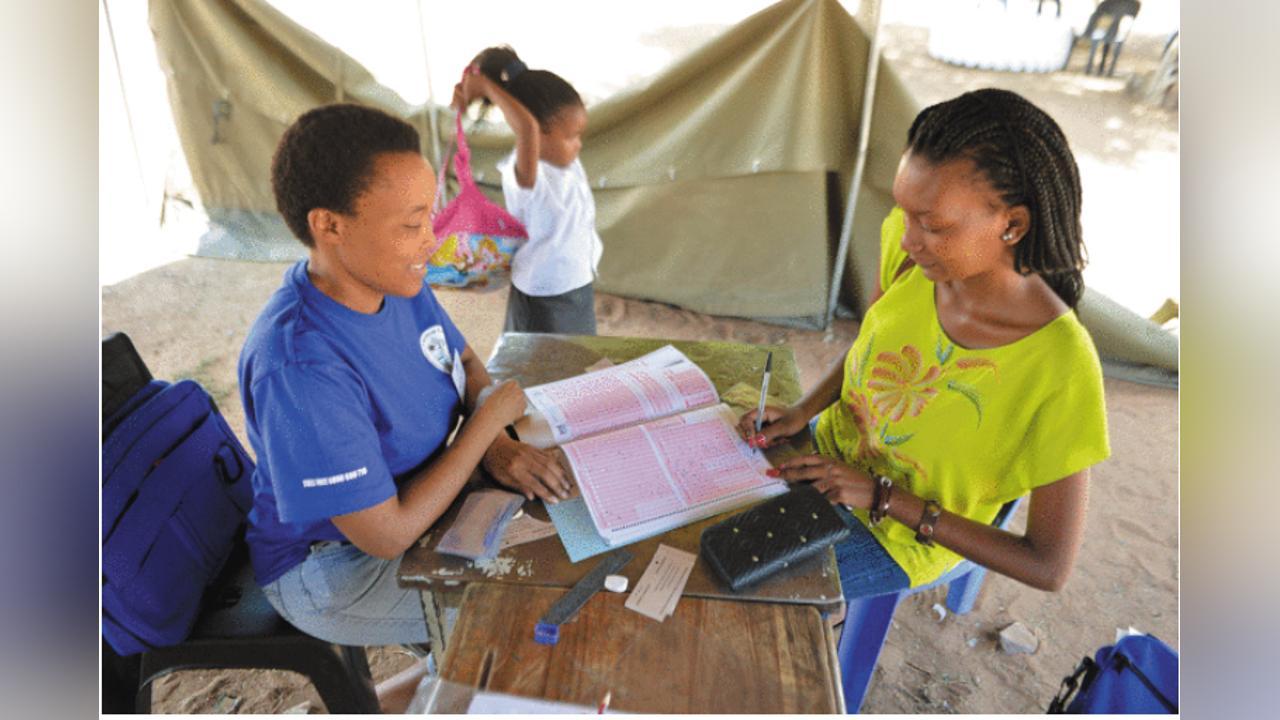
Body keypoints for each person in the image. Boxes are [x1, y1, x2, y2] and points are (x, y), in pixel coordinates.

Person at [239, 103, 571, 711]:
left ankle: (428, 686)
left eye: (429, 216)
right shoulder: (301, 365)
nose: (432, 240)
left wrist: (498, 445)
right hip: (332, 568)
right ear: (329, 226)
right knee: (527, 609)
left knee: (555, 549)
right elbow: (385, 535)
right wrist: (485, 428)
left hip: (419, 503)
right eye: (412, 224)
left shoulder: (393, 283)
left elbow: (463, 361)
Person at [739, 88, 1110, 601]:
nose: (908, 238)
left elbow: (1047, 565)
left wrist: (884, 497)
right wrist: (805, 411)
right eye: (905, 212)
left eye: (933, 225)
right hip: (824, 457)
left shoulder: (1060, 366)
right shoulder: (916, 253)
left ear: (1013, 224)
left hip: (898, 536)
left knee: (750, 597)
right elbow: (873, 344)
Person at [451, 45, 602, 335]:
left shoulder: (567, 164)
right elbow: (526, 127)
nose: (578, 145)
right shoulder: (526, 177)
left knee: (578, 352)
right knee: (542, 358)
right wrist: (486, 86)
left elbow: (531, 125)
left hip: (577, 282)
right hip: (545, 294)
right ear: (539, 136)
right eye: (571, 137)